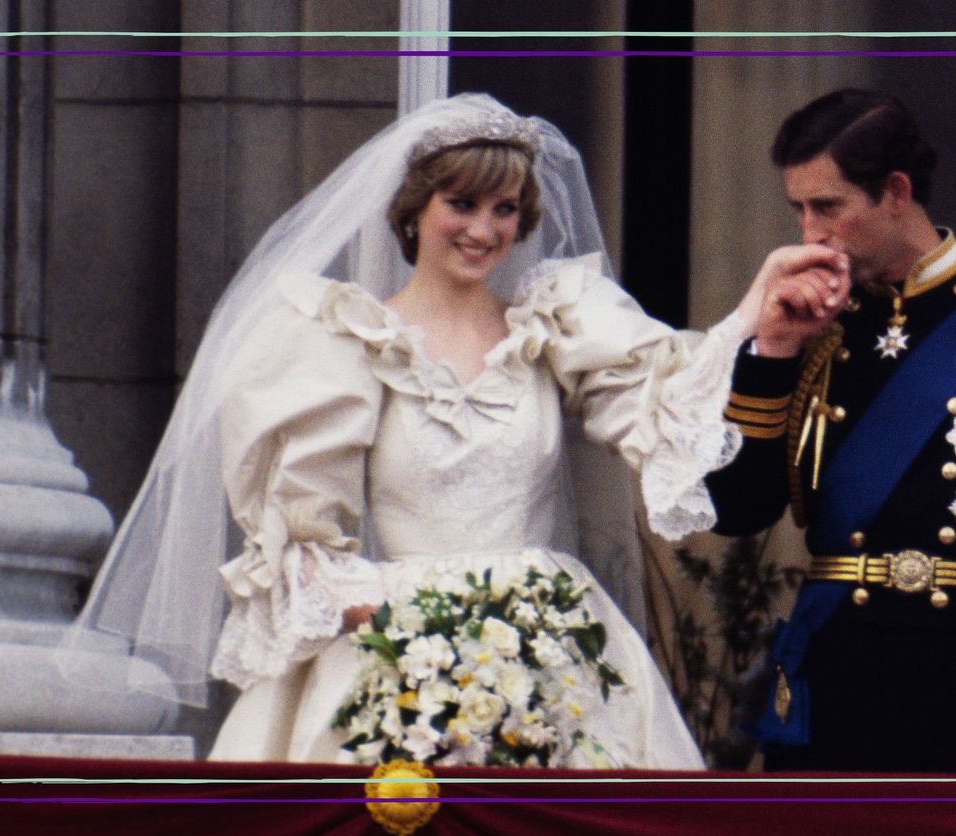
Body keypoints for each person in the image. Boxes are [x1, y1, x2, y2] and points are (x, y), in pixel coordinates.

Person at [64, 94, 837, 769]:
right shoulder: (344, 341)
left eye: (504, 209)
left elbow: (668, 406)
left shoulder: (554, 325)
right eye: (461, 205)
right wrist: (424, 641)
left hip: (555, 647)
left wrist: (751, 323)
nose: (484, 229)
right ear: (413, 210)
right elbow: (305, 544)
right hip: (398, 648)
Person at [705, 89, 956, 775]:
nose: (809, 232)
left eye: (827, 207)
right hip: (831, 683)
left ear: (895, 192)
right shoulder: (807, 328)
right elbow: (735, 509)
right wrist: (771, 353)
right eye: (799, 210)